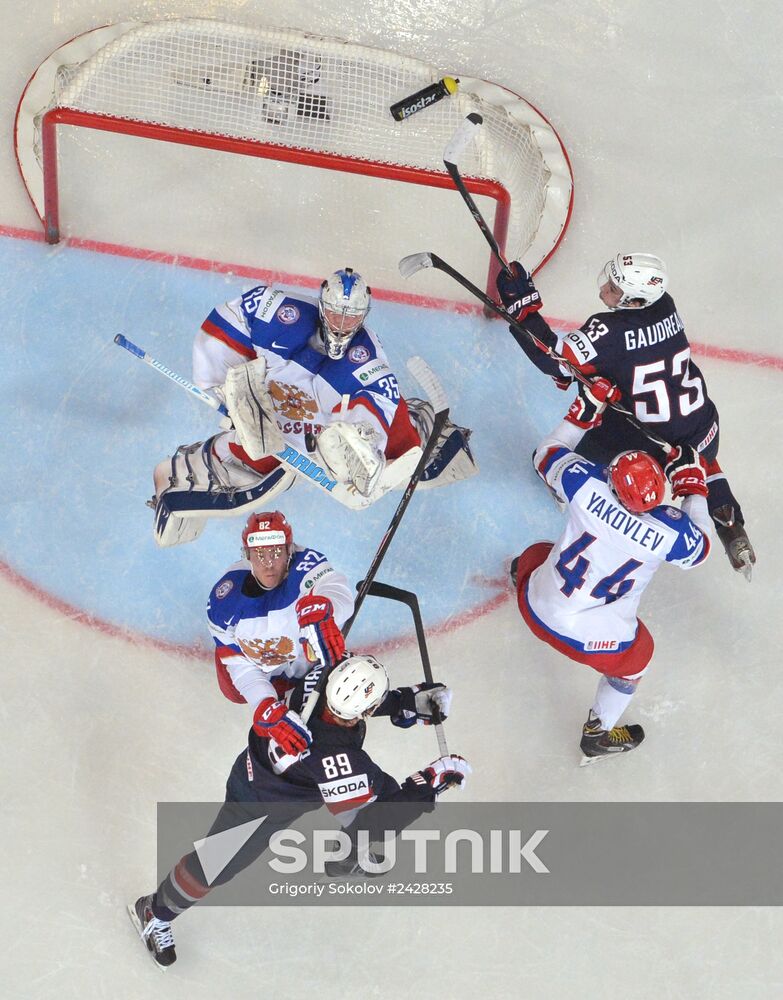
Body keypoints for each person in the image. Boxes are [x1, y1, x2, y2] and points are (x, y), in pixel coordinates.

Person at [128, 654, 469, 968]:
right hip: (260, 803)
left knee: (385, 792)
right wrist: (427, 783)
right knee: (216, 863)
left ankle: (344, 859)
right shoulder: (335, 757)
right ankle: (155, 912)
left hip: (269, 768)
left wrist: (406, 702)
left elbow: (343, 705)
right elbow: (368, 824)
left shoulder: (321, 673)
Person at [152, 267, 476, 546]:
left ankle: (406, 436)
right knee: (252, 460)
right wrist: (225, 388)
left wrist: (367, 448)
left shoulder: (366, 357)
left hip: (322, 421)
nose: (342, 324)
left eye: (352, 318)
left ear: (364, 316)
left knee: (399, 442)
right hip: (273, 408)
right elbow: (229, 320)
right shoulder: (280, 312)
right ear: (322, 305)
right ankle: (186, 472)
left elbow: (377, 398)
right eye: (336, 313)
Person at [496, 253, 755, 578]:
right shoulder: (666, 304)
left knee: (593, 427)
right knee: (700, 458)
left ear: (634, 300)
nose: (606, 288)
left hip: (654, 443)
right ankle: (730, 523)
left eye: (615, 288)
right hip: (703, 425)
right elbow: (632, 352)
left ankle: (592, 501)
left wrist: (523, 310)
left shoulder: (608, 330)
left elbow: (555, 360)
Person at [510, 386, 712, 763]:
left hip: (533, 607)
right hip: (591, 642)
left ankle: (515, 575)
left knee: (537, 553)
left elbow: (546, 454)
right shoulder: (667, 532)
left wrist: (582, 412)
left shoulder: (587, 486)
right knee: (639, 660)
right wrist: (693, 488)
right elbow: (700, 549)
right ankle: (597, 734)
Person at [207, 509, 354, 713]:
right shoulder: (224, 598)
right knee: (236, 689)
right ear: (247, 556)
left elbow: (335, 588)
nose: (268, 563)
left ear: (289, 551)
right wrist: (265, 706)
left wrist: (325, 609)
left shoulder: (307, 565)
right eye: (259, 554)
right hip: (249, 671)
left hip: (302, 670)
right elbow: (238, 665)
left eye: (276, 552)